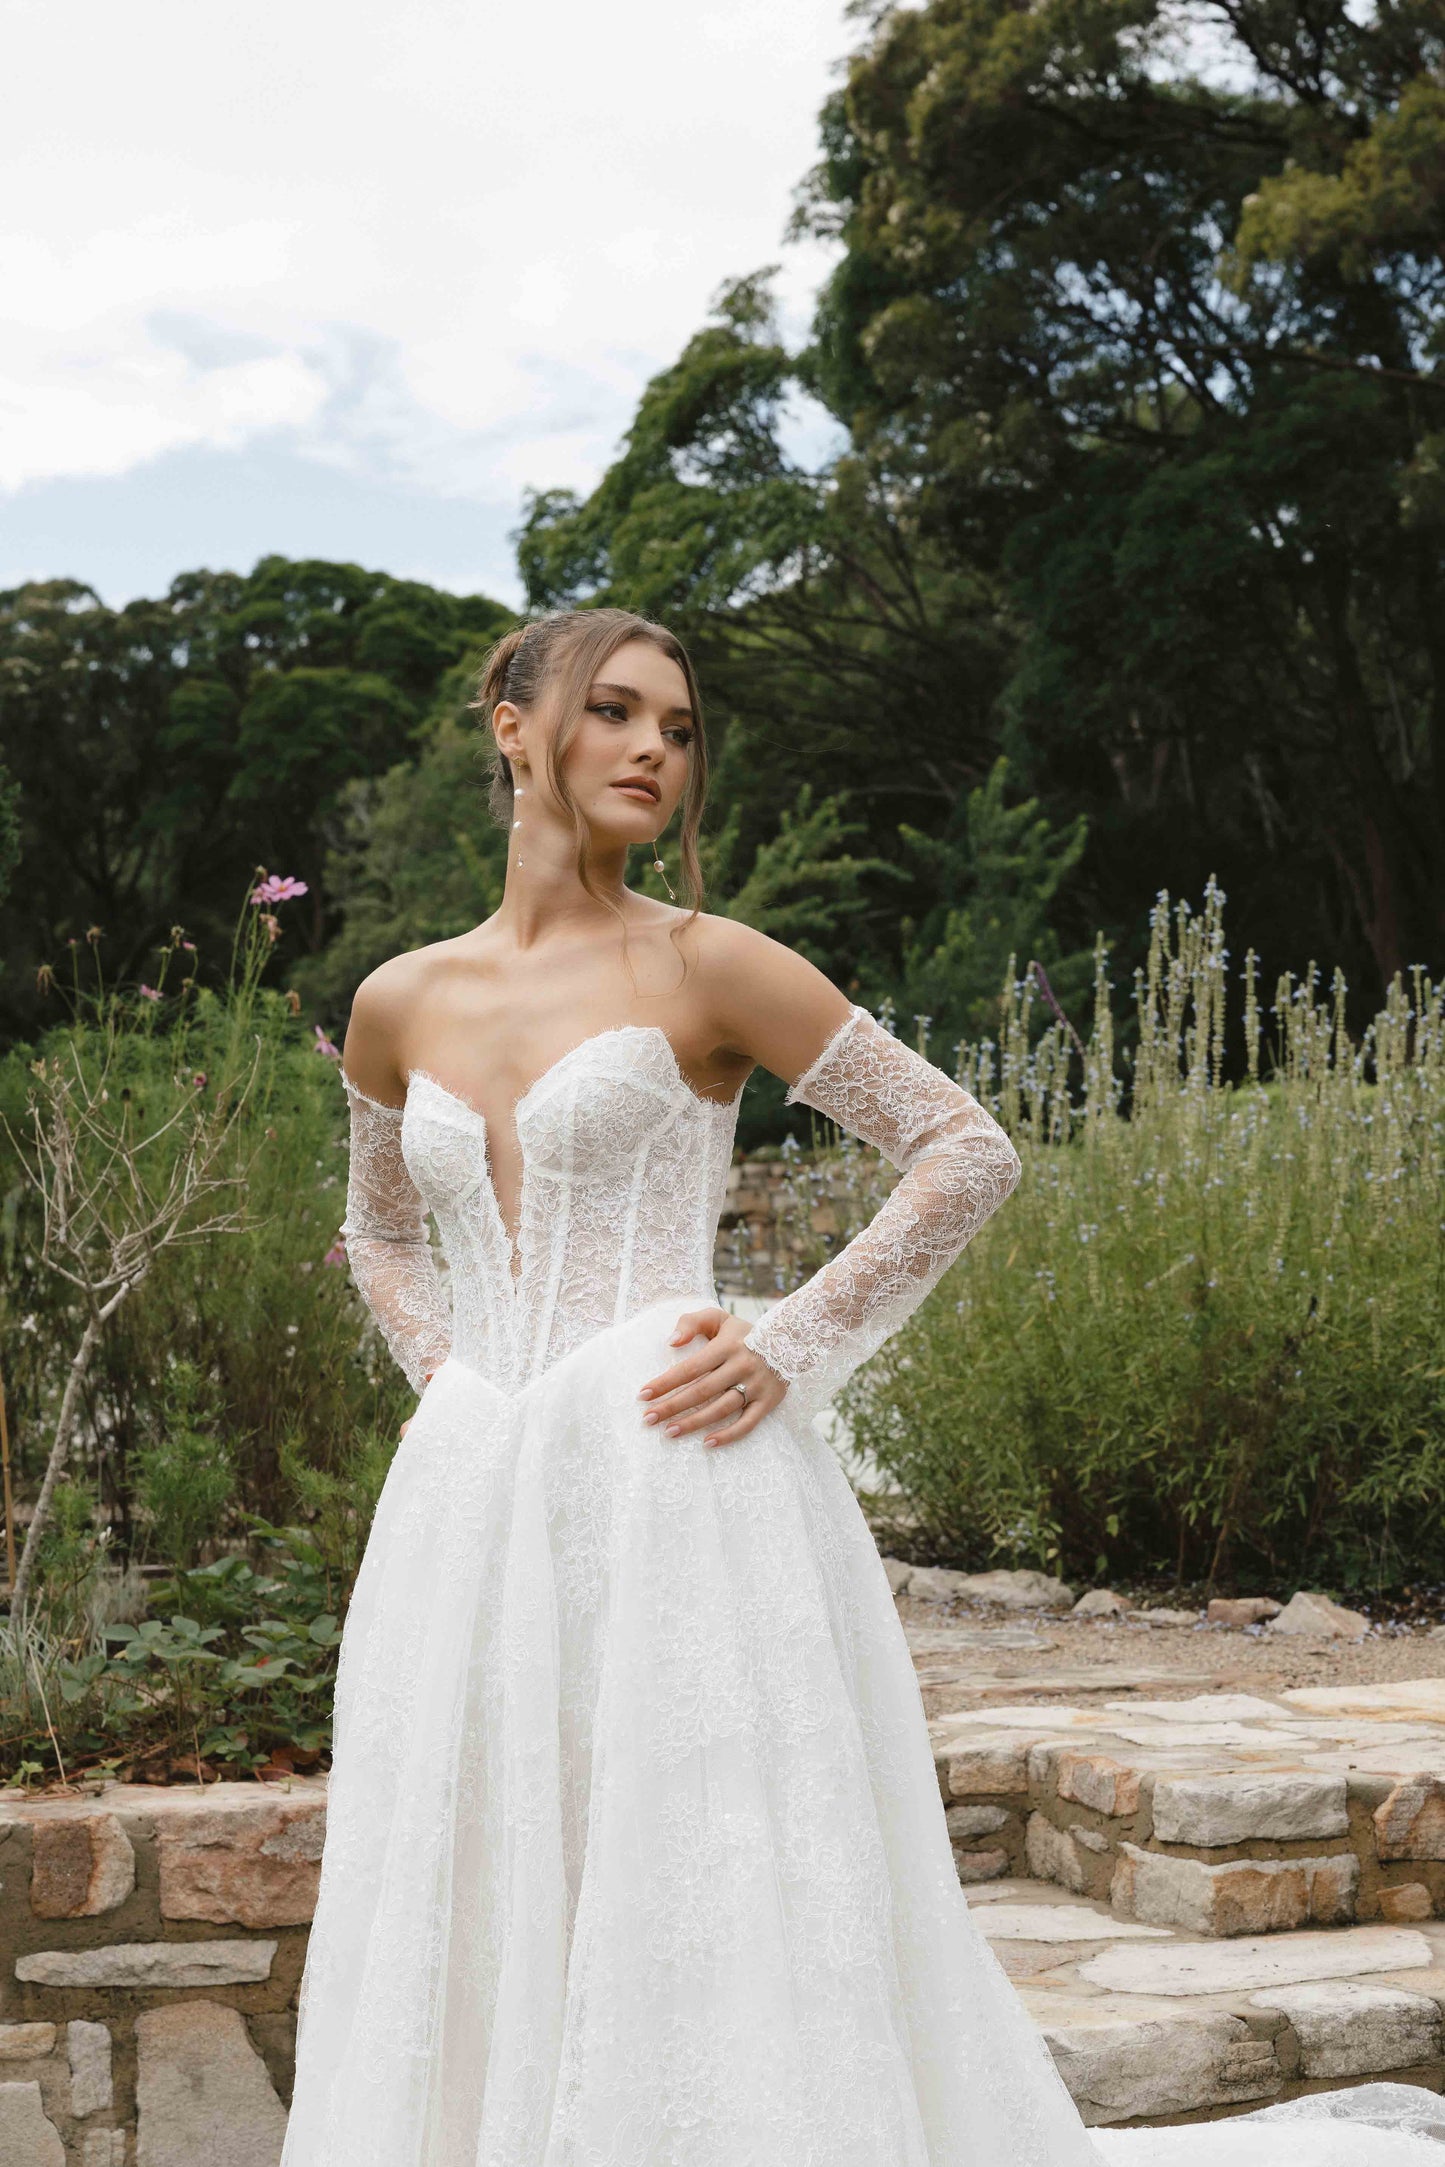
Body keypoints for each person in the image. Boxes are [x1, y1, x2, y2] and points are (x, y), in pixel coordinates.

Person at [280, 608, 1445, 2166]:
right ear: (511, 725)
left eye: (680, 731)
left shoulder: (707, 964)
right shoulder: (397, 998)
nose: (651, 751)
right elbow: (375, 1234)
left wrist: (788, 1340)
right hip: (472, 1505)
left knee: (698, 1864)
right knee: (476, 1851)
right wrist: (453, 1386)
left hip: (674, 1480)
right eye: (614, 712)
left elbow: (966, 1147)